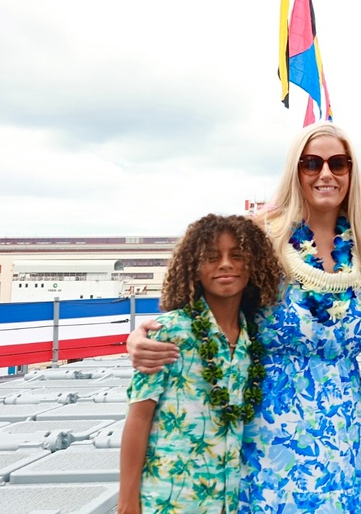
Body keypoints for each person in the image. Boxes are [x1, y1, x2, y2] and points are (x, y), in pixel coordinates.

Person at [127, 123, 361, 513]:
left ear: (352, 172)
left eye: (338, 163)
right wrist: (141, 333)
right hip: (268, 443)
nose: (326, 174)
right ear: (295, 172)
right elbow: (203, 296)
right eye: (311, 163)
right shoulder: (264, 239)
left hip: (343, 442)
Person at [119, 214, 281, 514]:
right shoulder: (169, 332)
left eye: (237, 255)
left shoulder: (255, 339)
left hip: (230, 500)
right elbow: (139, 418)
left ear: (253, 265)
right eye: (211, 256)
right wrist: (127, 502)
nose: (225, 264)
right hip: (169, 499)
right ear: (194, 267)